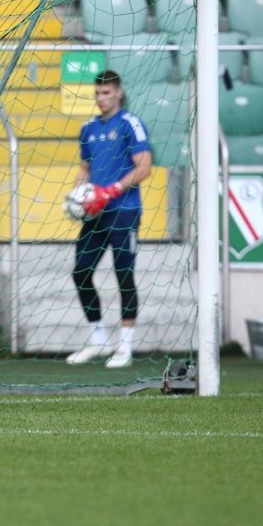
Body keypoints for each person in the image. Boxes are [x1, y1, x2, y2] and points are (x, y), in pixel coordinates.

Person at [66, 71, 152, 369]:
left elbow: (144, 167)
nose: (101, 98)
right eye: (98, 93)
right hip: (95, 213)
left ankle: (125, 348)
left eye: (107, 93)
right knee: (80, 272)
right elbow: (86, 166)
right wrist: (78, 191)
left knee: (123, 274)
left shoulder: (130, 124)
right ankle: (99, 340)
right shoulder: (88, 128)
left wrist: (112, 190)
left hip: (123, 211)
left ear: (119, 93)